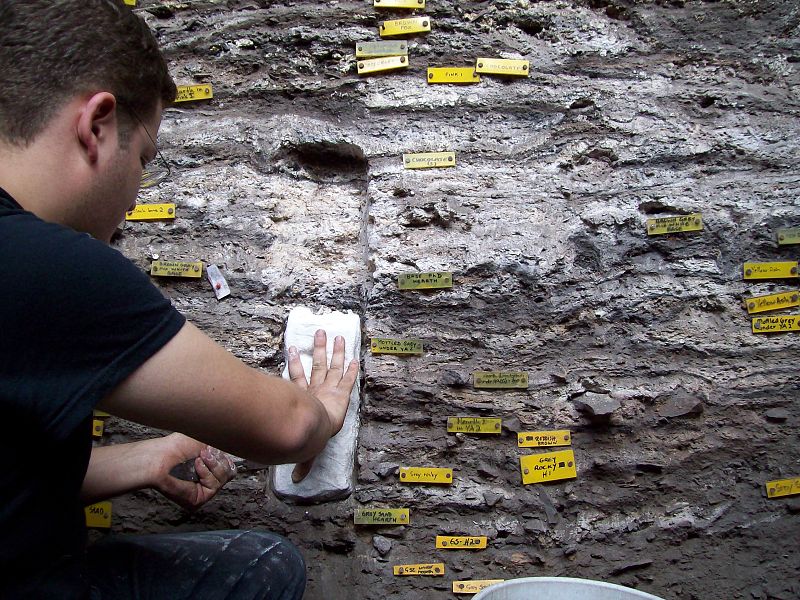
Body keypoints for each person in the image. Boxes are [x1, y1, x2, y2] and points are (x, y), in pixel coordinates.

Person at [0, 1, 359, 598]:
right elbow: (287, 428)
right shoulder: (49, 265)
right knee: (261, 566)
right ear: (97, 124)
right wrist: (320, 408)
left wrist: (143, 460)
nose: (136, 195)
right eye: (143, 158)